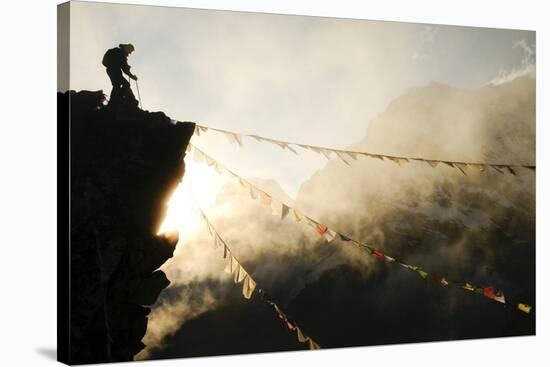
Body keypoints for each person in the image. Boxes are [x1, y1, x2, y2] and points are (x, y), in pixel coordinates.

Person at [102, 44, 138, 108]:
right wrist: (132, 76)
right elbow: (125, 69)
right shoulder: (121, 54)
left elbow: (124, 67)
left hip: (111, 70)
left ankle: (116, 100)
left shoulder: (118, 51)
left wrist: (126, 68)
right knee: (122, 84)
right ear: (128, 48)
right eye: (130, 51)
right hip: (114, 71)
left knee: (117, 85)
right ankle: (121, 100)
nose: (129, 53)